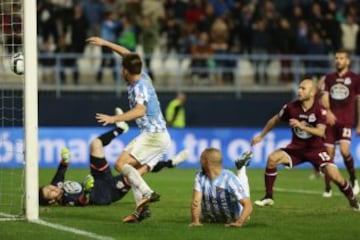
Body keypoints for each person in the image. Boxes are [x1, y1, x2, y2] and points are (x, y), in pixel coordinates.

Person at [39, 113, 188, 221]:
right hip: (106, 193)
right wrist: (86, 191)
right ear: (52, 201)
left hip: (99, 179)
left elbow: (61, 170)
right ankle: (170, 163)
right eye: (50, 193)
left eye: (49, 188)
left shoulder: (56, 185)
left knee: (95, 144)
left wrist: (65, 160)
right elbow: (82, 202)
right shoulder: (65, 201)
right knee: (136, 170)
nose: (53, 189)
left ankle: (121, 128)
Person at [87, 36, 171, 222]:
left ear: (125, 70)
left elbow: (140, 111)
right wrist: (106, 44)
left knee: (120, 164)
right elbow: (126, 53)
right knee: (134, 174)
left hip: (153, 135)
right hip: (160, 136)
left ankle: (147, 193)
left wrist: (113, 118)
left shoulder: (139, 87)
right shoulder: (143, 75)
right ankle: (141, 211)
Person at [252, 78, 360, 211]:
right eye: (299, 87)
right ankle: (268, 197)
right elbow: (275, 120)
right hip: (297, 149)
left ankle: (352, 199)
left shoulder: (320, 110)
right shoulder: (291, 107)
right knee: (272, 159)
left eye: (303, 88)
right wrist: (261, 136)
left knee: (335, 176)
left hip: (316, 150)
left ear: (312, 93)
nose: (299, 90)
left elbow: (321, 132)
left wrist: (302, 127)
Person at [320, 49, 360, 197]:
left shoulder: (355, 79)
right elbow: (324, 97)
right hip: (330, 122)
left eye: (341, 58)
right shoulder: (329, 78)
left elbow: (359, 102)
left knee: (344, 151)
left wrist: (359, 124)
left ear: (348, 61)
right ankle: (327, 187)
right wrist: (328, 111)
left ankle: (354, 180)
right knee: (328, 155)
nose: (338, 61)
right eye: (337, 58)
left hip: (346, 121)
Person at [189, 148, 253, 227]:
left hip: (234, 217)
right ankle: (241, 168)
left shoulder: (229, 178)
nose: (199, 162)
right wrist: (196, 221)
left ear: (207, 161)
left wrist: (239, 222)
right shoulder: (200, 175)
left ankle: (241, 168)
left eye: (201, 159)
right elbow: (196, 202)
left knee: (244, 197)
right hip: (212, 219)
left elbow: (248, 205)